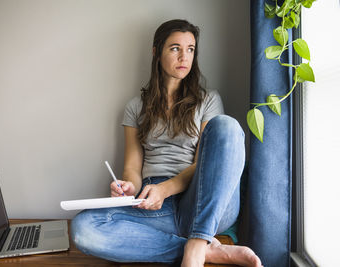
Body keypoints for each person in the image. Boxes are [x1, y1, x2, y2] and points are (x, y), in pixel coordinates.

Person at [71, 19, 263, 267]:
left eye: (190, 49)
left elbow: (205, 166)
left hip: (205, 202)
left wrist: (167, 188)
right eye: (175, 48)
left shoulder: (208, 100)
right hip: (155, 205)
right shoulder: (135, 108)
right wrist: (129, 186)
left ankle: (195, 247)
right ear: (156, 52)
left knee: (227, 126)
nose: (184, 56)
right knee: (83, 228)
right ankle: (203, 249)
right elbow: (132, 166)